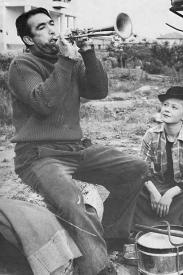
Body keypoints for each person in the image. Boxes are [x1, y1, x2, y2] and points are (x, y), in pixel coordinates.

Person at [8, 8, 148, 275]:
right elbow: (43, 102)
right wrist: (66, 61)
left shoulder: (69, 60)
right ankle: (99, 268)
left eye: (52, 24)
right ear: (28, 40)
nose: (52, 30)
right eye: (41, 28)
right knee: (73, 201)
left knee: (135, 168)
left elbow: (98, 91)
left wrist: (87, 53)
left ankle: (111, 237)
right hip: (39, 156)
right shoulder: (22, 65)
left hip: (75, 148)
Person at [133, 86, 183, 229]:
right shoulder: (151, 135)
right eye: (165, 105)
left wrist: (169, 194)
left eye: (174, 107)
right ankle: (145, 227)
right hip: (158, 184)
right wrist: (153, 192)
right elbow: (140, 168)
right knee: (132, 188)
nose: (167, 109)